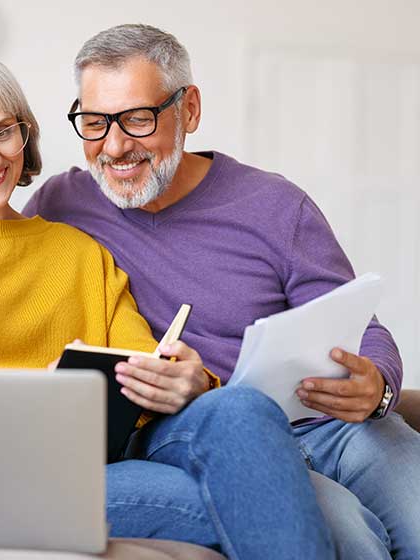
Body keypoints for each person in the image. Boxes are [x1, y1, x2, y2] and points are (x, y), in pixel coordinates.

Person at [0, 47, 334, 560]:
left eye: (2, 133)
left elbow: (142, 364)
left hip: (92, 464)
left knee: (240, 406)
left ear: (24, 131)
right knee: (257, 495)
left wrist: (180, 377)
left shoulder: (79, 249)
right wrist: (37, 397)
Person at [22, 23, 420, 560]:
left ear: (188, 110)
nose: (114, 147)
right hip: (204, 432)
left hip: (330, 424)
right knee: (347, 532)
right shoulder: (63, 204)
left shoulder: (275, 205)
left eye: (138, 119)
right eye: (94, 123)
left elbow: (363, 329)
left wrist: (379, 388)